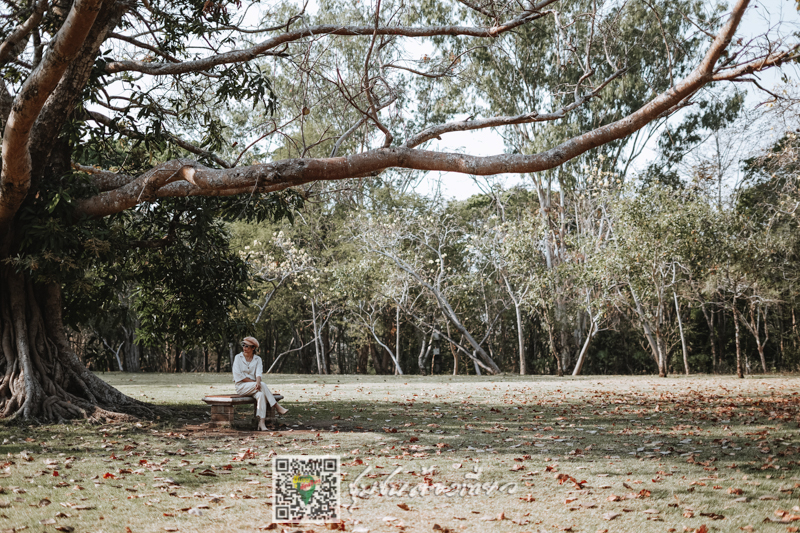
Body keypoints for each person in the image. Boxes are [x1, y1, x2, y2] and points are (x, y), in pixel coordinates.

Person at [232, 336, 288, 431]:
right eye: (243, 345)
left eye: (247, 346)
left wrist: (257, 383)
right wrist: (256, 383)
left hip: (255, 387)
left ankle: (261, 423)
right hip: (241, 386)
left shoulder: (257, 359)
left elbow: (259, 373)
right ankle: (277, 407)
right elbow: (238, 376)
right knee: (263, 385)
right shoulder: (238, 357)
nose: (244, 348)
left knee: (261, 395)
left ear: (253, 348)